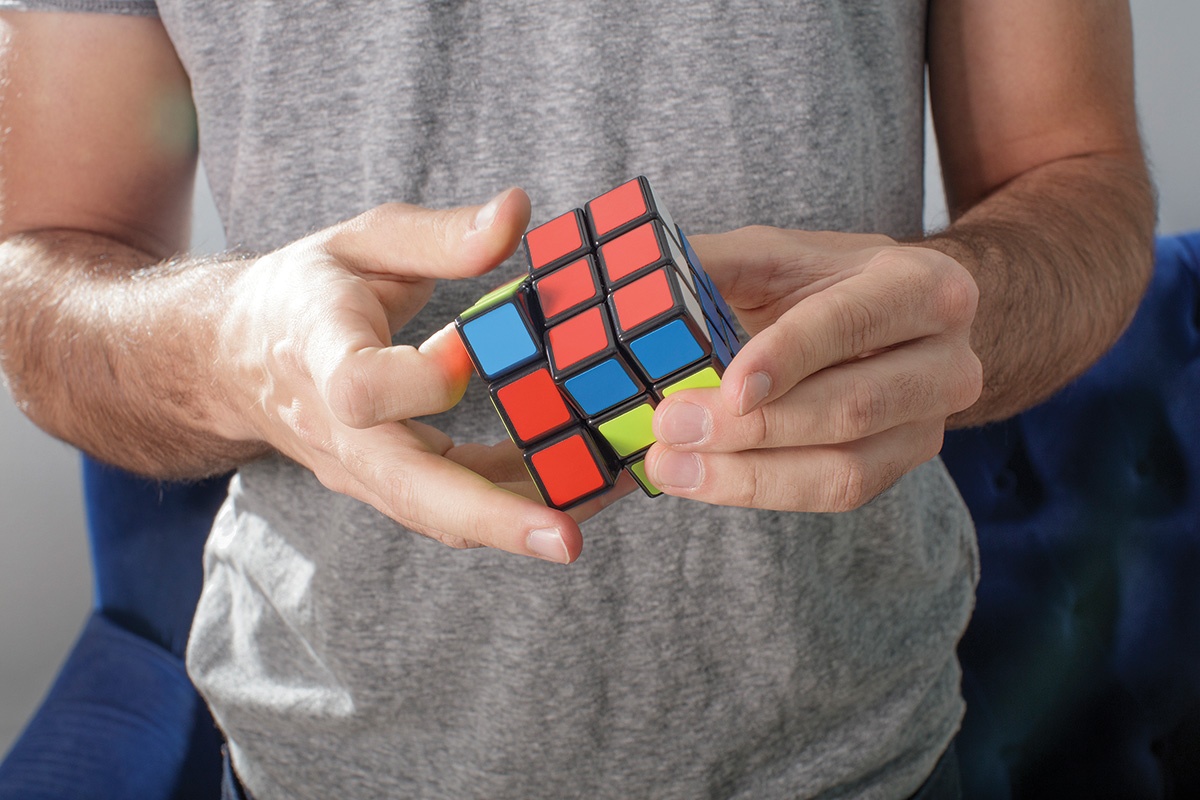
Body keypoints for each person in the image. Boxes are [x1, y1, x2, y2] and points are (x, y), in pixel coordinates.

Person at [0, 1, 1154, 798]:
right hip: (329, 754)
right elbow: (45, 269)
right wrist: (230, 348)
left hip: (853, 754)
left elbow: (1079, 174)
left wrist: (963, 308)